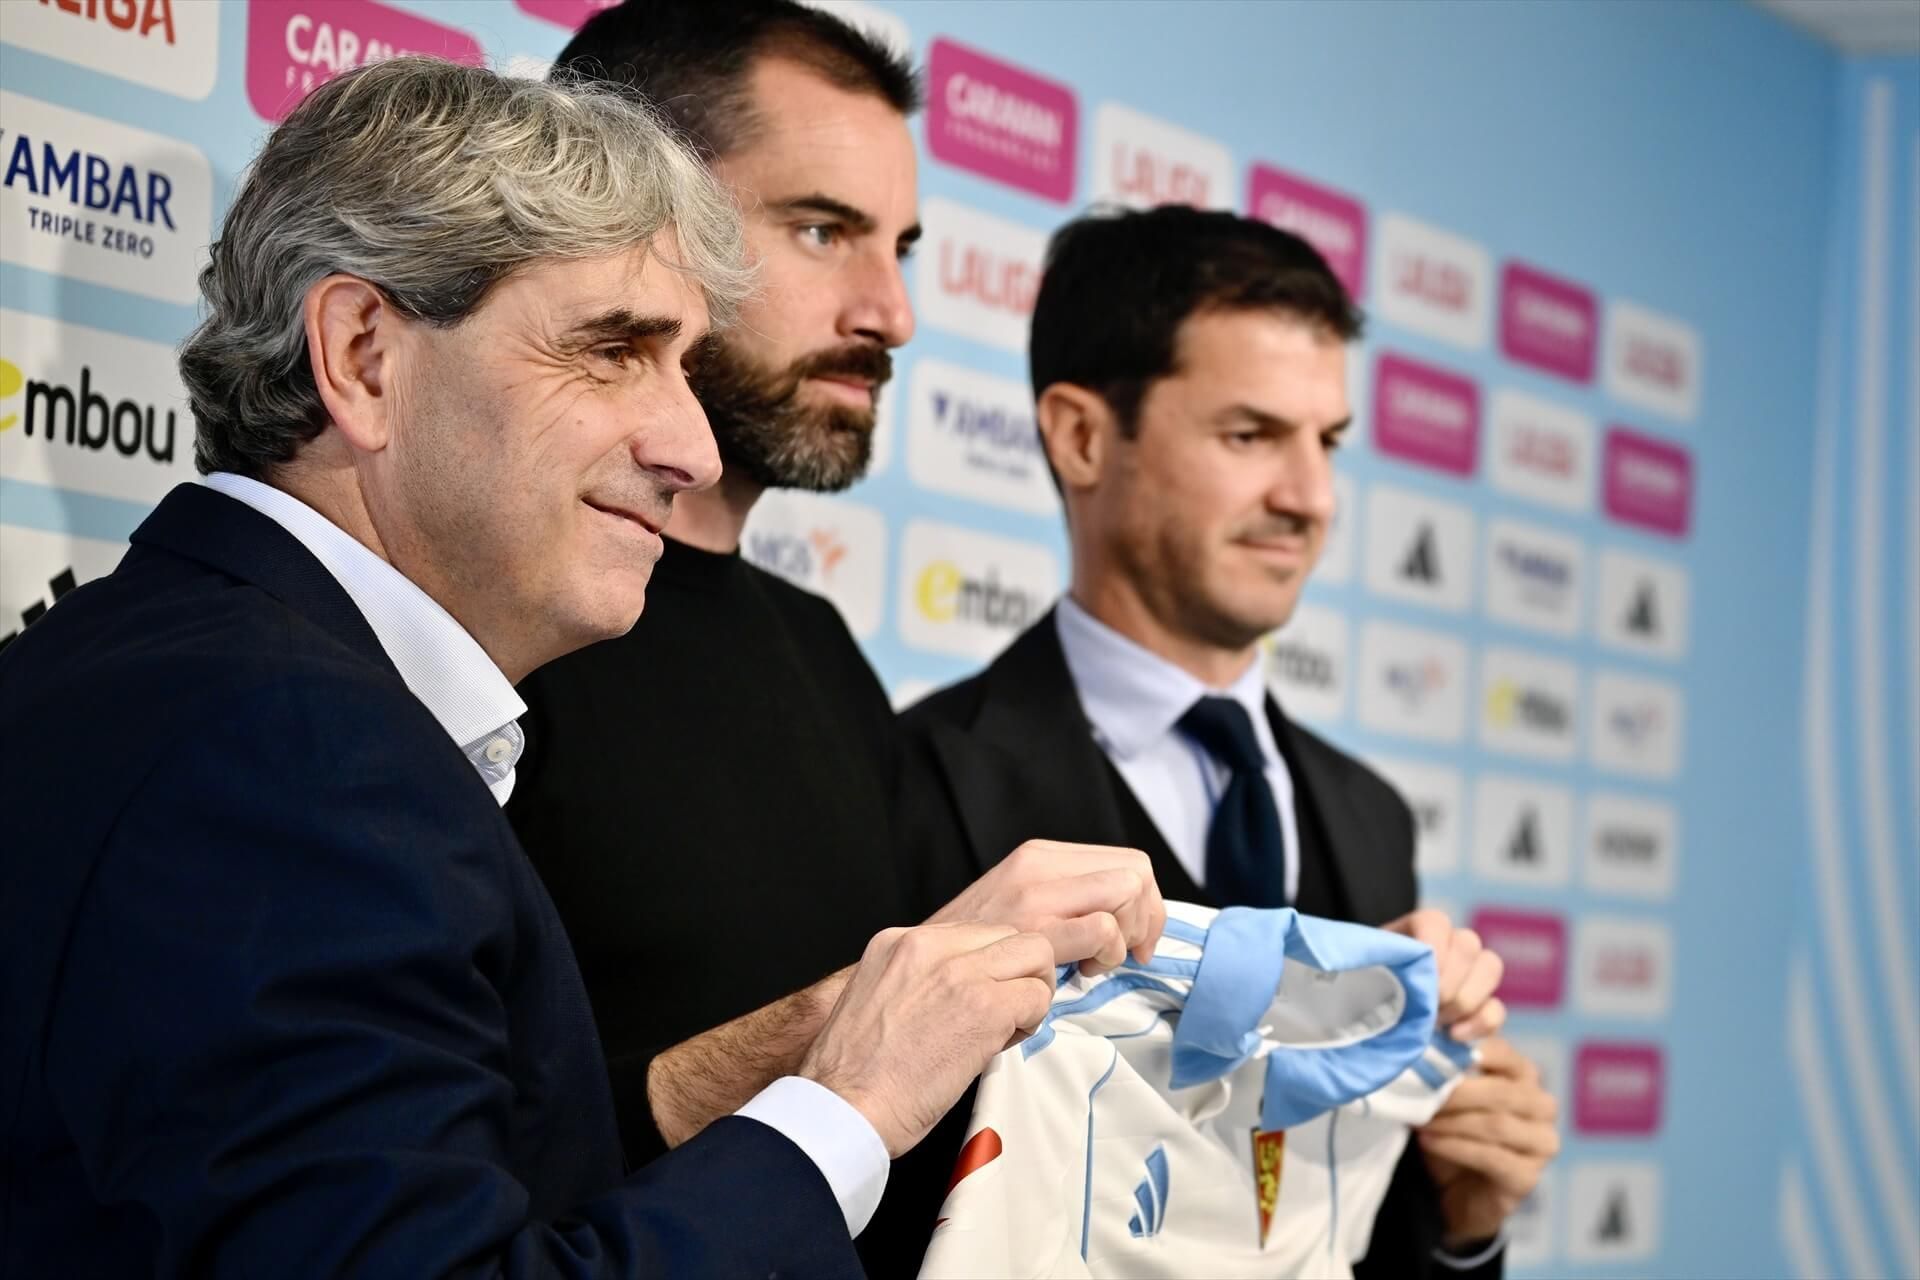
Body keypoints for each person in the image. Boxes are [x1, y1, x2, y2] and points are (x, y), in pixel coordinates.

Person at [0, 58, 1070, 1277]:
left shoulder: (196, 672)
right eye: (613, 350)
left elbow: (439, 1187)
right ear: (361, 356)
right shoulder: (289, 750)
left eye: (684, 364)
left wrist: (800, 1051)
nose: (690, 446)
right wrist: (852, 1108)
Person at [506, 4, 1168, 1272]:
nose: (892, 311)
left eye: (902, 247)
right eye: (822, 230)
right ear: (631, 218)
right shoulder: (476, 637)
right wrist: (847, 1029)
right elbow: (448, 1150)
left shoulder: (821, 653)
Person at [895, 205, 1560, 1278]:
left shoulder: (1369, 815)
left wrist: (1463, 1222)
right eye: (1249, 435)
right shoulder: (907, 780)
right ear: (1081, 436)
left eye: (1327, 442)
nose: (1309, 496)